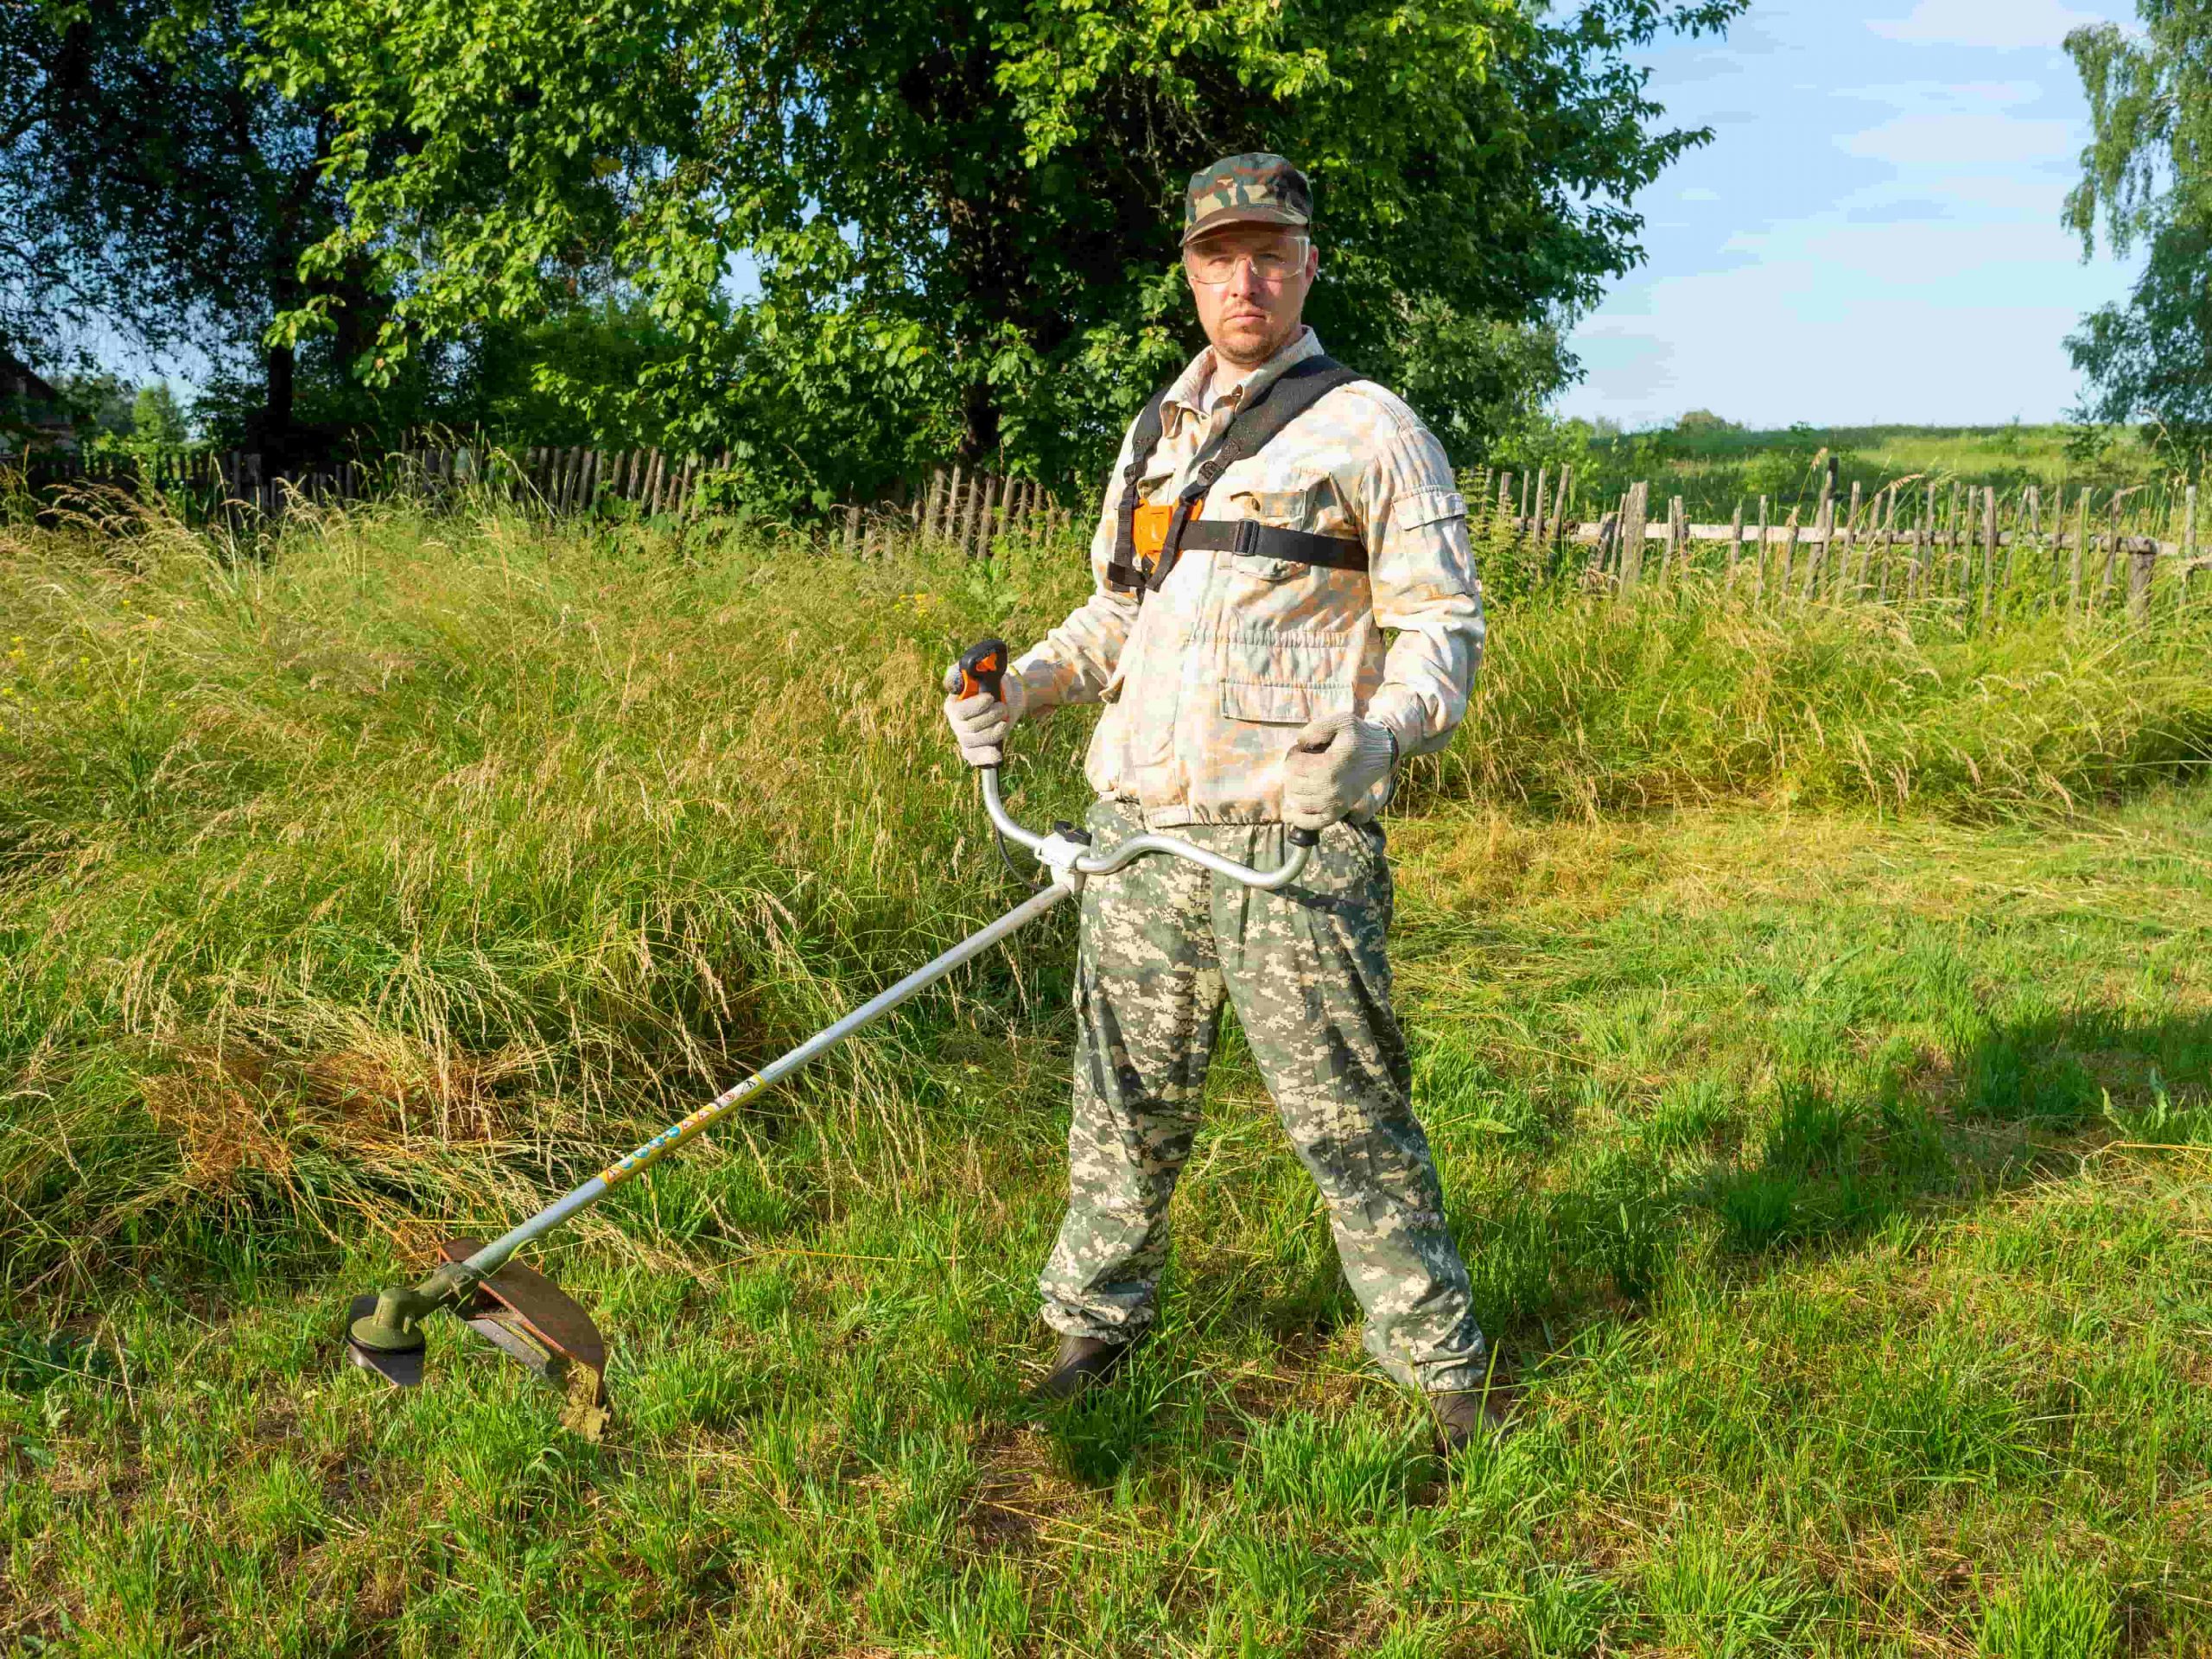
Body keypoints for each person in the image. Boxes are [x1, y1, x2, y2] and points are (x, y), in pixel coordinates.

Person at [941, 153, 1500, 1451]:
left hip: (1287, 846)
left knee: (1348, 1118)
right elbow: (1116, 617)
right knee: (1120, 1103)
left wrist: (1382, 734)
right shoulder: (1158, 432)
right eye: (1218, 256)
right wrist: (1020, 689)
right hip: (1140, 836)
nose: (1244, 278)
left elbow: (1443, 632)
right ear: (1189, 274)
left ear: (1309, 265)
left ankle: (1441, 1374)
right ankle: (1095, 1326)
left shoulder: (1374, 429)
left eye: (1270, 253)